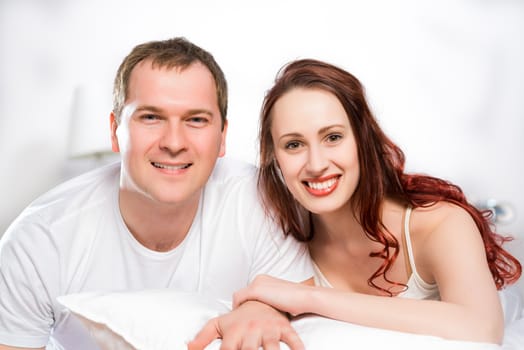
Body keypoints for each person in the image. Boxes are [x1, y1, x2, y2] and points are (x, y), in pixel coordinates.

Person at [0, 38, 313, 350]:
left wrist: (264, 308)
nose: (174, 142)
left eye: (196, 120)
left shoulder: (263, 202)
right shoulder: (39, 240)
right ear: (114, 131)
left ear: (222, 137)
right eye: (150, 117)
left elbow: (305, 305)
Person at [233, 58, 522, 344]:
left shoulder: (440, 224)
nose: (316, 163)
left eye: (333, 137)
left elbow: (482, 329)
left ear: (363, 139)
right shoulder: (280, 237)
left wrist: (309, 297)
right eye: (293, 145)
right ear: (274, 157)